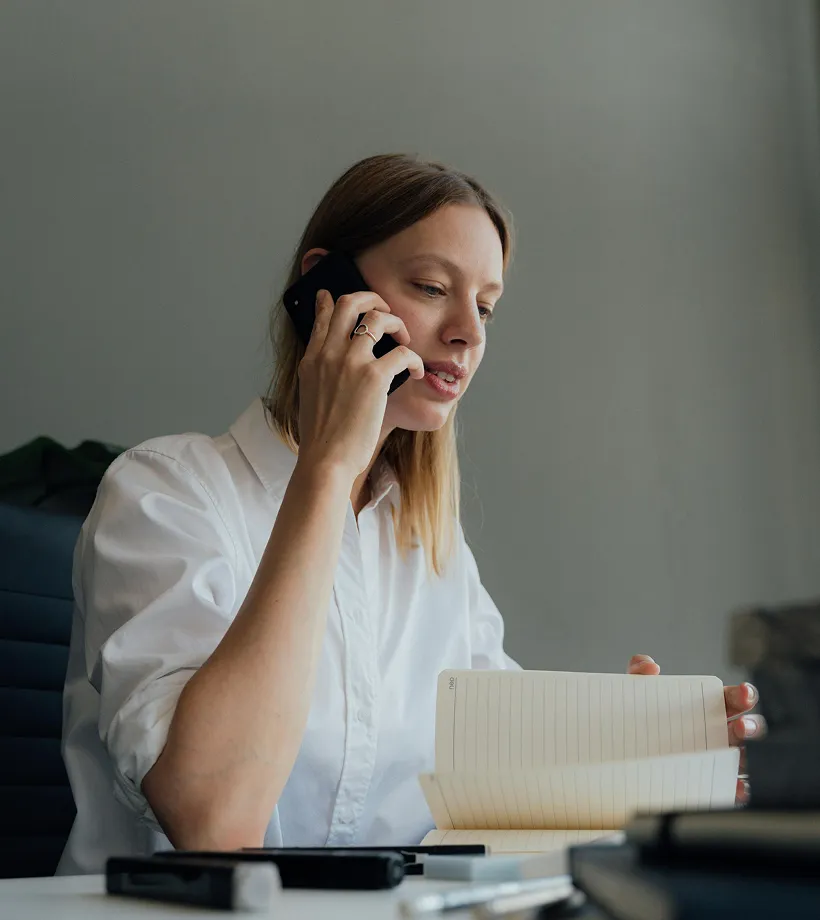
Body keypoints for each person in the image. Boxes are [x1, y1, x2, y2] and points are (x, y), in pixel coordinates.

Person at [58, 154, 763, 875]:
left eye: (485, 307)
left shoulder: (428, 545)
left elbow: (492, 778)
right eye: (431, 288)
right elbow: (215, 819)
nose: (469, 333)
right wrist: (328, 467)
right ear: (323, 288)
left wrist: (648, 749)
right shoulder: (163, 492)